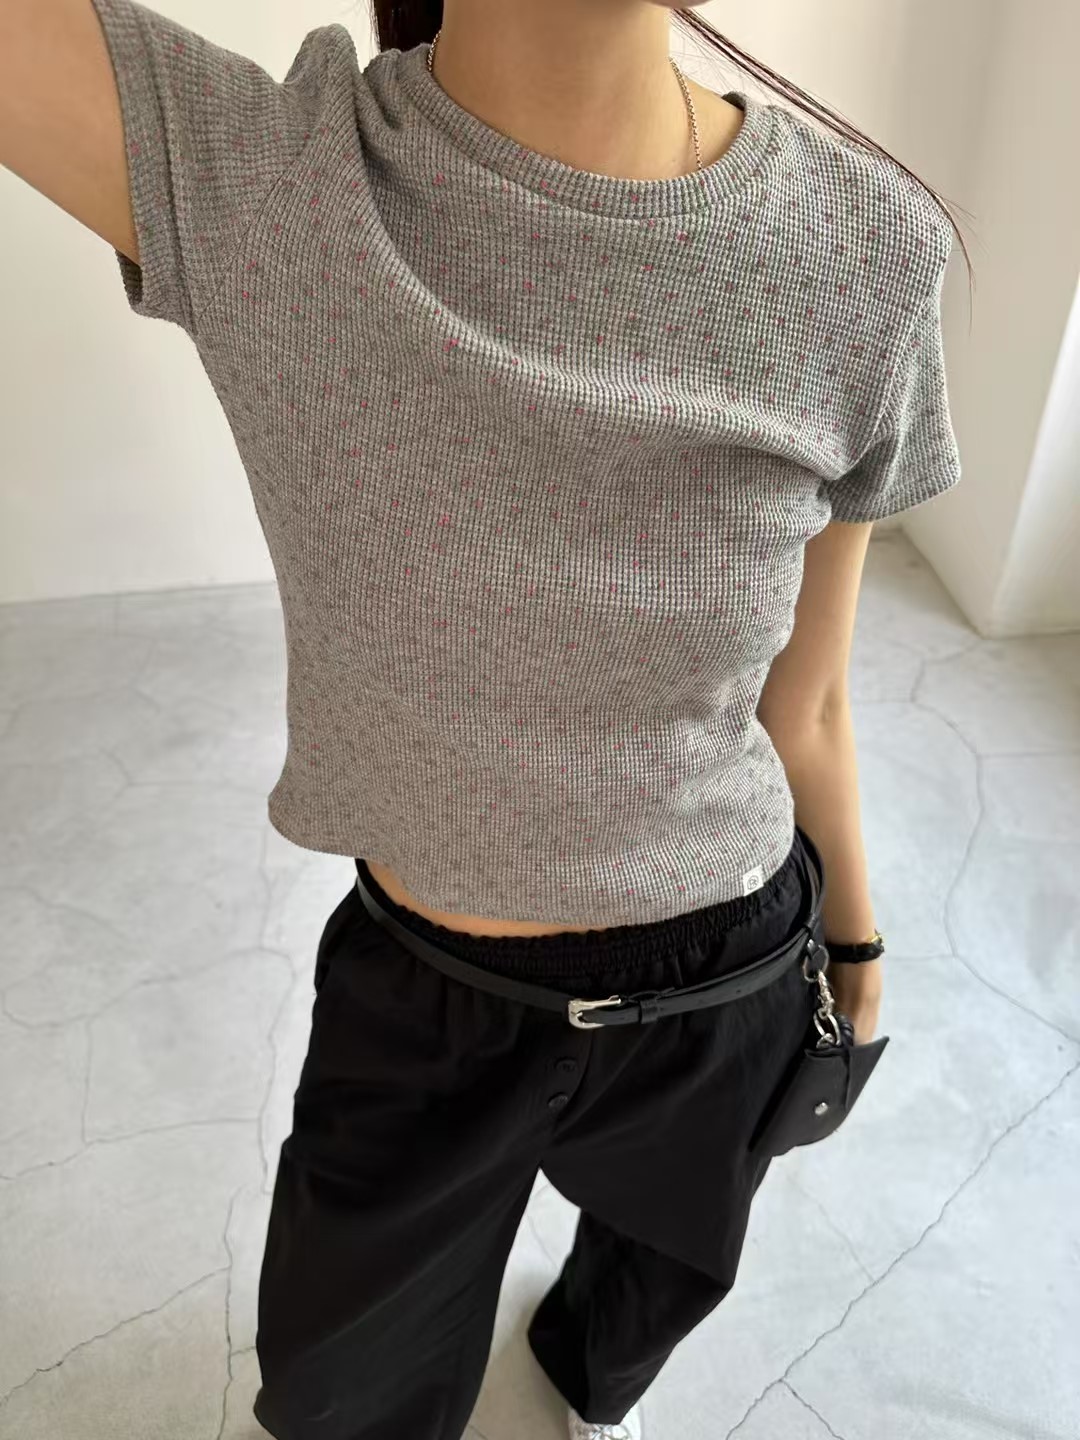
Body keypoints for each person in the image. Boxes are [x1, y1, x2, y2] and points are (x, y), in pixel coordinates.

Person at [0, 0, 966, 1437]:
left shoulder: (864, 249)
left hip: (728, 976)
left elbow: (807, 696)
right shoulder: (268, 183)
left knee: (650, 1295)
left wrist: (858, 945)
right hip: (426, 992)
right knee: (343, 1385)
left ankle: (585, 1385)